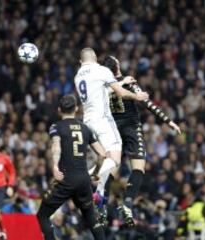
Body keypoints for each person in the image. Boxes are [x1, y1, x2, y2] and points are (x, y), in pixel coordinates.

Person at [102, 55, 181, 226]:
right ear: (117, 66)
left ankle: (101, 204)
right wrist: (169, 121)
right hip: (131, 127)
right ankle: (128, 202)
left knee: (112, 170)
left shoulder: (103, 87)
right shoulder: (127, 80)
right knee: (138, 168)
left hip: (113, 130)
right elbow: (148, 104)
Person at [74, 48, 149, 220]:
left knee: (103, 159)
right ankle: (91, 184)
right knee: (114, 159)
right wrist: (137, 97)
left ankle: (97, 195)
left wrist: (120, 84)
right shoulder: (102, 71)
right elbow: (120, 93)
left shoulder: (78, 76)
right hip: (103, 121)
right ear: (95, 58)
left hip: (88, 122)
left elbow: (102, 92)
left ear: (80, 62)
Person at [36, 95, 107, 240]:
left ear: (59, 110)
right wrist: (96, 173)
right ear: (76, 109)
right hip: (83, 179)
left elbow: (56, 147)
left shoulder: (56, 127)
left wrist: (55, 166)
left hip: (66, 179)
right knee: (91, 218)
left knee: (42, 215)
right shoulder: (86, 128)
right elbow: (102, 154)